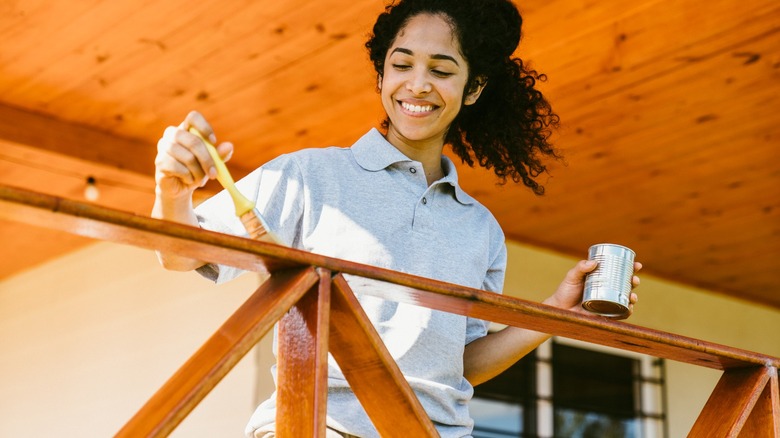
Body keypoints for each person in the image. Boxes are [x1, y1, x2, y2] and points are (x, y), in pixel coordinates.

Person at [152, 0, 641, 436]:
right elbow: (179, 254)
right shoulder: (309, 174)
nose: (418, 83)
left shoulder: (480, 229)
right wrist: (172, 191)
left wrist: (559, 311)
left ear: (473, 89)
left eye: (441, 70)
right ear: (382, 77)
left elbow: (459, 365)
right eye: (401, 64)